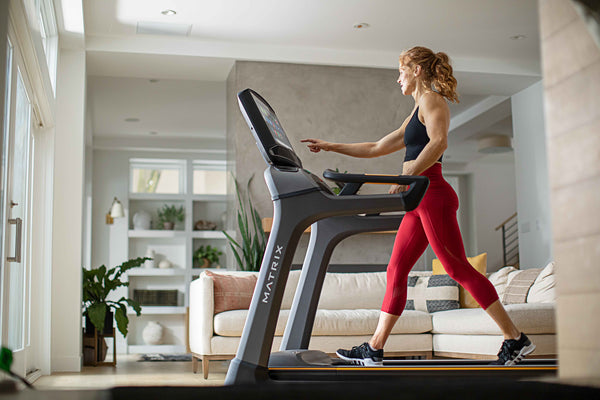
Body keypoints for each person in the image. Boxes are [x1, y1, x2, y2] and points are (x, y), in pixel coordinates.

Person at [301, 46, 535, 366]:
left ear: (416, 71)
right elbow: (377, 146)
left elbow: (439, 141)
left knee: (456, 268)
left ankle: (515, 338)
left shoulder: (432, 100)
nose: (398, 78)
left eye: (401, 71)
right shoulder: (415, 112)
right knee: (396, 270)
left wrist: (409, 172)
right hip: (418, 198)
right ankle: (375, 348)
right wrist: (329, 144)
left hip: (432, 193)